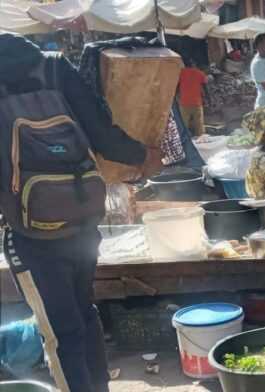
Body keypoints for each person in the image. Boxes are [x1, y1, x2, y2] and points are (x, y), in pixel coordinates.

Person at [0, 33, 160, 392]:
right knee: (85, 317)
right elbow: (101, 133)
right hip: (83, 219)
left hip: (31, 234)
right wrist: (142, 155)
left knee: (60, 332)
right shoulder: (55, 67)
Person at [178, 60, 208, 137]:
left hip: (184, 102)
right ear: (194, 64)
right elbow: (205, 88)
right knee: (199, 123)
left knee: (184, 123)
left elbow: (177, 86)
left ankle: (185, 139)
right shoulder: (200, 73)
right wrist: (208, 98)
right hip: (197, 102)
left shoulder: (180, 73)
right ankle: (201, 138)